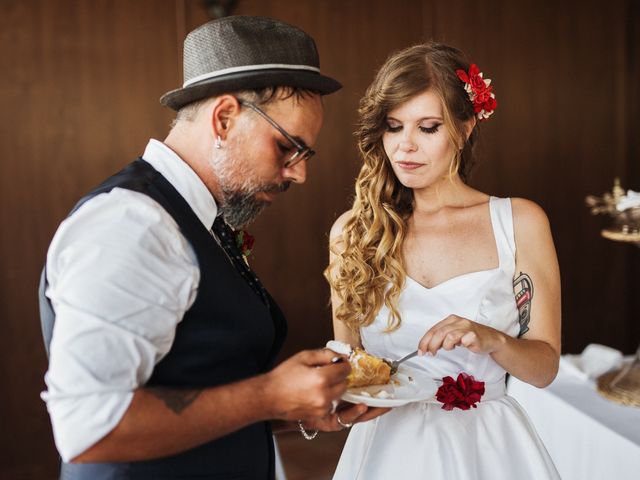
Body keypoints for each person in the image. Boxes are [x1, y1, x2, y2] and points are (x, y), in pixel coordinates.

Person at [39, 16, 386, 480]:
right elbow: (89, 429)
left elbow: (194, 378)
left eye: (305, 155)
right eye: (287, 147)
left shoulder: (199, 220)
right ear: (224, 118)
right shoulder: (134, 225)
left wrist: (297, 407)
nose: (299, 173)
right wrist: (269, 395)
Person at [325, 42, 562, 479]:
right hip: (385, 452)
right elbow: (350, 366)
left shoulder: (520, 222)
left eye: (428, 127)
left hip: (490, 451)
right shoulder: (353, 234)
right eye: (393, 127)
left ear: (465, 127)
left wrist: (492, 339)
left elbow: (545, 368)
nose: (405, 147)